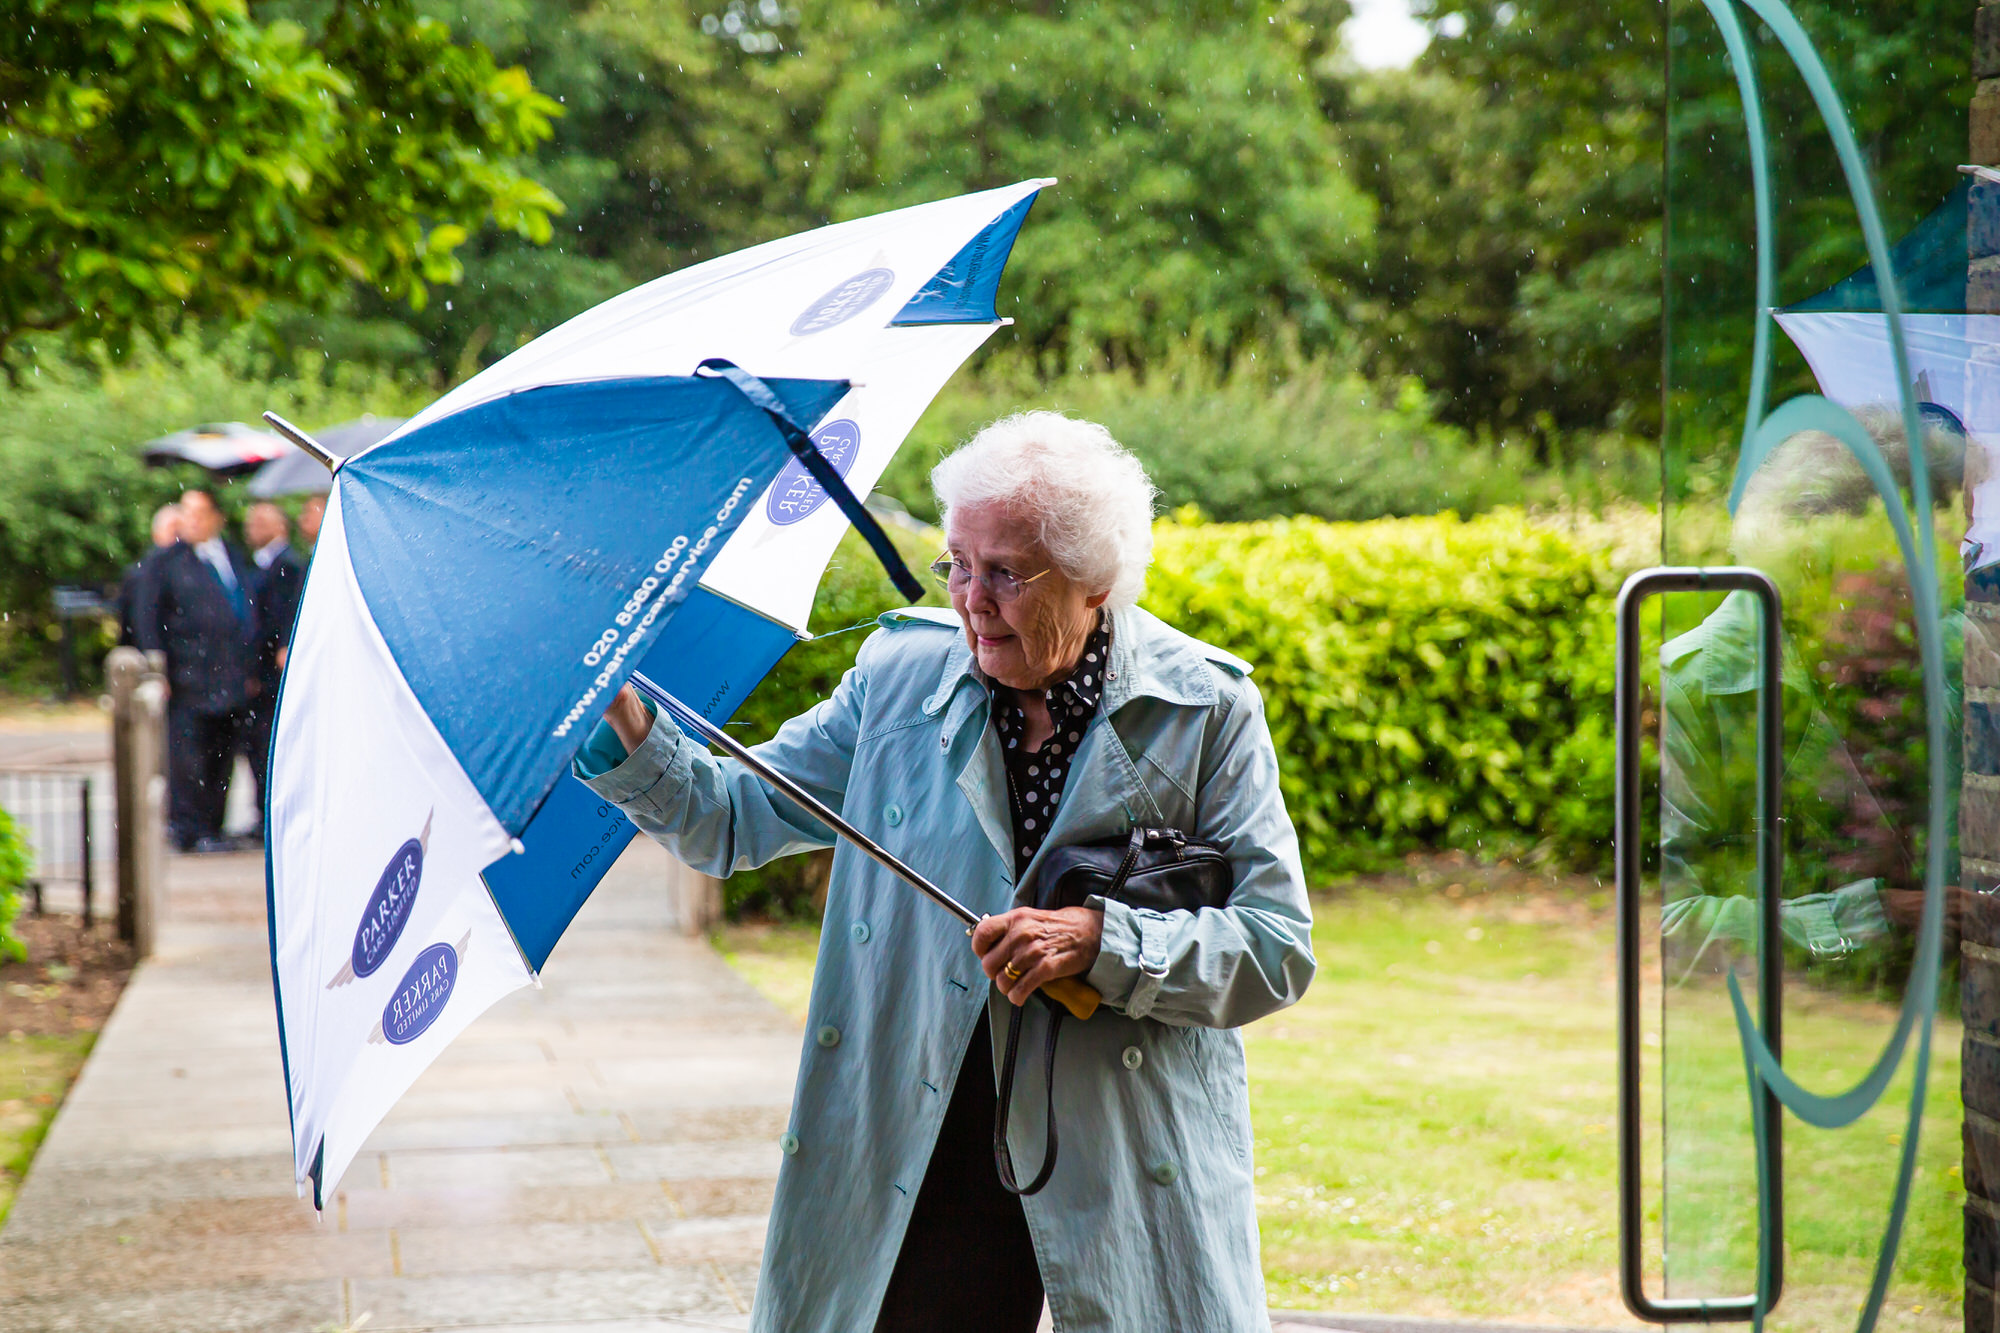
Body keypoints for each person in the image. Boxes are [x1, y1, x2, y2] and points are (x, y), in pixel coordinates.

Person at [577, 413, 1315, 1333]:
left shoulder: (1204, 708)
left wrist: (1102, 941)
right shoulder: (897, 680)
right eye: (957, 565)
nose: (972, 599)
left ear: (1093, 583)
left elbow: (1277, 947)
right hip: (924, 1137)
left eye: (1005, 571)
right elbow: (729, 816)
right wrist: (627, 717)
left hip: (1126, 1138)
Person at [134, 489, 258, 853]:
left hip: (230, 674)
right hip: (189, 675)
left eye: (200, 513)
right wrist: (157, 668)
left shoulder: (231, 556)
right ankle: (188, 827)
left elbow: (244, 611)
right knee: (189, 756)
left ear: (217, 517)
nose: (192, 521)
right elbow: (148, 617)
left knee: (222, 755)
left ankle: (212, 826)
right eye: (187, 513)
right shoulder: (166, 561)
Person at [242, 501, 305, 829]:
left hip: (271, 672)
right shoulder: (257, 566)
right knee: (257, 745)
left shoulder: (288, 566)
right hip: (261, 670)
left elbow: (279, 617)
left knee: (268, 744)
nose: (251, 525)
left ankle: (269, 815)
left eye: (260, 520)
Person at [116, 503, 182, 647]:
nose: (178, 538)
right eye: (174, 531)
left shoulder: (196, 570)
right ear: (156, 534)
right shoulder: (144, 573)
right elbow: (141, 619)